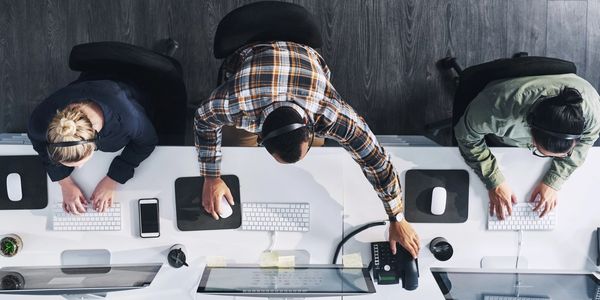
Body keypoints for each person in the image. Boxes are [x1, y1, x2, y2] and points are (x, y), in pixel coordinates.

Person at [194, 41, 420, 258]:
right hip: (252, 61)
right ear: (259, 135)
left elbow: (376, 161)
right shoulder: (236, 103)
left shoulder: (330, 112)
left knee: (319, 163)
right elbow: (203, 119)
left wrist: (397, 217)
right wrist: (212, 177)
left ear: (311, 130)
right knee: (239, 158)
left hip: (305, 74)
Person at [454, 74, 600, 220]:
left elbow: (587, 140)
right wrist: (494, 181)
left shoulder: (594, 113)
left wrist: (554, 180)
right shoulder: (494, 111)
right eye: (542, 152)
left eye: (565, 154)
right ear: (531, 138)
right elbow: (466, 137)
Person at [28, 79, 158, 215]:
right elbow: (40, 144)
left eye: (80, 162)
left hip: (137, 88)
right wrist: (65, 183)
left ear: (94, 142)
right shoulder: (40, 122)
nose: (78, 167)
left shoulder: (128, 120)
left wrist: (114, 178)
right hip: (90, 83)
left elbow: (147, 141)